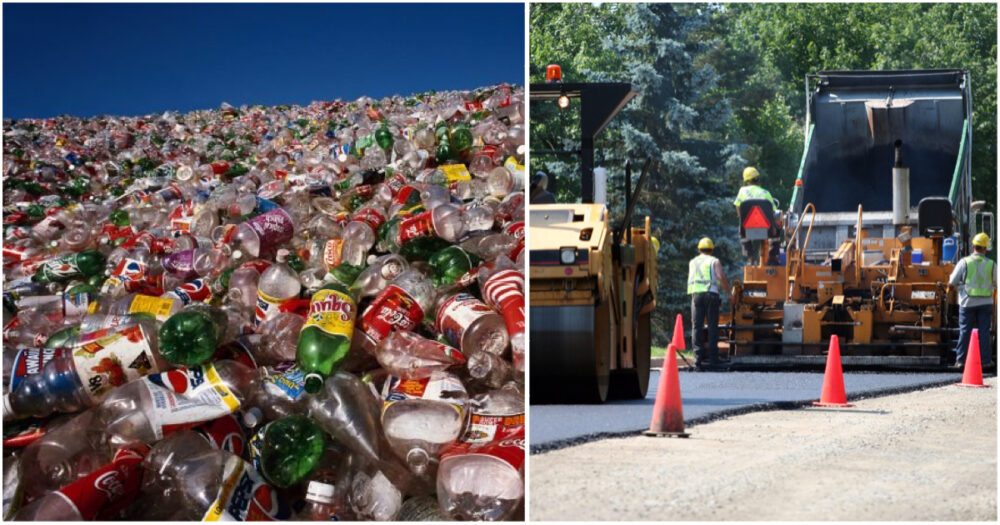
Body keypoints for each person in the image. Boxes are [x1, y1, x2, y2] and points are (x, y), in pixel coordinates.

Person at [949, 233, 996, 370]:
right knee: (984, 332)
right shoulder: (991, 264)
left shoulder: (964, 262)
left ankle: (961, 361)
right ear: (985, 249)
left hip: (967, 302)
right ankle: (985, 361)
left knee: (965, 331)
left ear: (973, 247)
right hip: (986, 302)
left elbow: (952, 281)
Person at [687, 237, 732, 370]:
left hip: (696, 296)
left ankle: (697, 361)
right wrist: (729, 294)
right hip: (711, 295)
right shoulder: (714, 261)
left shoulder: (693, 262)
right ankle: (713, 359)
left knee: (697, 326)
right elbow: (720, 277)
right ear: (712, 250)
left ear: (699, 249)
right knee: (712, 326)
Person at [734, 166, 780, 265]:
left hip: (747, 229)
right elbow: (774, 213)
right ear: (758, 179)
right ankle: (772, 257)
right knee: (777, 229)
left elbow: (738, 206)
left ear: (746, 181)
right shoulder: (766, 193)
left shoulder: (742, 191)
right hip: (767, 229)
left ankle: (750, 257)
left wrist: (741, 218)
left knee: (740, 230)